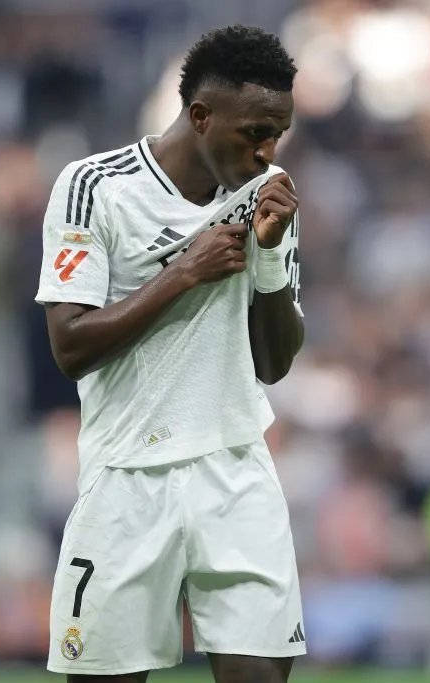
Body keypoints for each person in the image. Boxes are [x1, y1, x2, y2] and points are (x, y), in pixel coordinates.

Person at [35, 24, 305, 683]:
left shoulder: (268, 193)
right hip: (127, 479)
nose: (267, 150)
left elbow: (273, 362)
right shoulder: (94, 186)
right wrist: (182, 273)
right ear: (201, 115)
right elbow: (70, 346)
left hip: (235, 468)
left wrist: (268, 254)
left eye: (278, 132)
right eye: (253, 132)